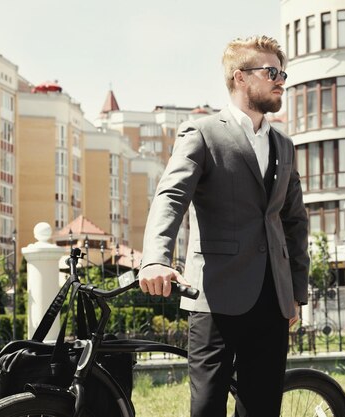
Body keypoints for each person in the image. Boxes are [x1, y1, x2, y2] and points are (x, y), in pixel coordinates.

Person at [138, 35, 309, 417]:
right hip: (214, 294)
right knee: (207, 407)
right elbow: (170, 197)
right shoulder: (202, 133)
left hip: (273, 297)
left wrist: (295, 289)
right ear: (240, 77)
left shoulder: (284, 145)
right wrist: (154, 259)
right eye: (272, 72)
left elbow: (294, 221)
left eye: (283, 72)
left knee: (262, 406)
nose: (281, 79)